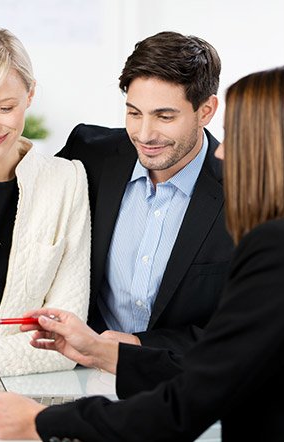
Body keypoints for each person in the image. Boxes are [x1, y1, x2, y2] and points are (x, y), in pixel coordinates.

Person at [0, 64, 284, 441]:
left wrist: (40, 422)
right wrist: (100, 351)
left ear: (278, 149)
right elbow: (222, 367)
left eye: (236, 136)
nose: (222, 155)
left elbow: (185, 404)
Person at [57, 31, 233, 352]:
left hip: (184, 384)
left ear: (206, 111)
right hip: (80, 374)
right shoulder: (89, 155)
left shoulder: (245, 191)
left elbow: (242, 331)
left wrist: (139, 345)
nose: (144, 134)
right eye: (134, 113)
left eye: (164, 116)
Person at [0, 27, 90, 393]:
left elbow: (64, 339)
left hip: (10, 392)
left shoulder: (67, 182)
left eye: (5, 108)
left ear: (30, 94)